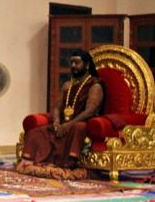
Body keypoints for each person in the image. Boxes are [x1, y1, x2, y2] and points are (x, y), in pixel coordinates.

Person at [17, 49, 104, 180]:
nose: (73, 65)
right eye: (72, 62)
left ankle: (67, 164)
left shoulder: (95, 85)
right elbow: (57, 108)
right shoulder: (67, 85)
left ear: (86, 65)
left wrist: (68, 125)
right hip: (63, 124)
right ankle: (32, 162)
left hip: (80, 125)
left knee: (78, 127)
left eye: (77, 62)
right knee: (37, 132)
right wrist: (57, 122)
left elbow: (90, 111)